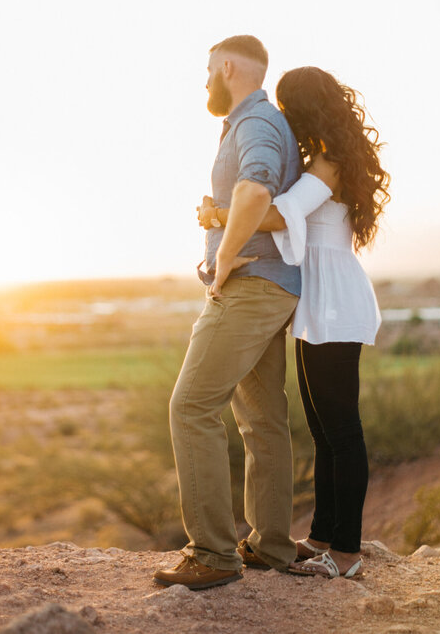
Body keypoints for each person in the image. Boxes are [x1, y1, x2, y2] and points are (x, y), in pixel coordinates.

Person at [199, 66, 389, 579]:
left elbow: (282, 214)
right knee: (324, 431)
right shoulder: (323, 156)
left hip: (335, 302)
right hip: (317, 301)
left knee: (343, 431)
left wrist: (220, 216)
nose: (282, 115)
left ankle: (346, 553)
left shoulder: (328, 162)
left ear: (305, 107)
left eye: (287, 105)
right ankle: (323, 536)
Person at [153, 35, 303, 590]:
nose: (206, 81)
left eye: (208, 70)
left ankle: (214, 555)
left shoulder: (254, 125)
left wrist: (222, 261)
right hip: (274, 285)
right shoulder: (262, 121)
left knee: (191, 407)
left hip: (249, 287)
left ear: (228, 67)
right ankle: (271, 546)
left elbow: (255, 188)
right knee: (261, 420)